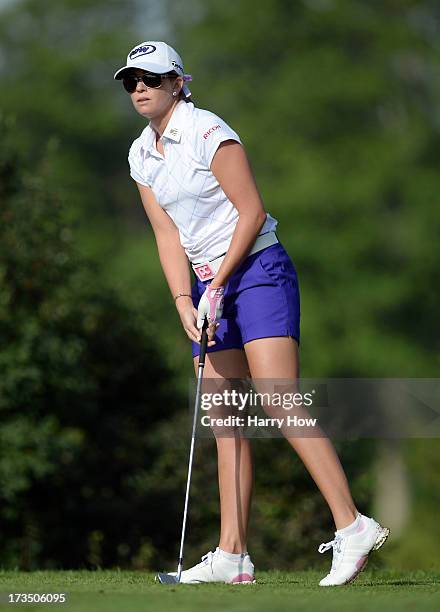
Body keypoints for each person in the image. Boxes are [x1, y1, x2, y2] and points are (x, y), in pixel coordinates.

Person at [114, 41, 389, 586]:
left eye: (151, 78)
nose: (139, 88)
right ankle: (232, 555)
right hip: (204, 283)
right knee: (225, 417)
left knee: (277, 396)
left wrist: (218, 283)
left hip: (259, 269)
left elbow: (252, 210)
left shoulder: (208, 131)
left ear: (178, 83)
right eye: (131, 81)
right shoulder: (141, 154)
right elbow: (167, 236)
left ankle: (353, 525)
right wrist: (184, 300)